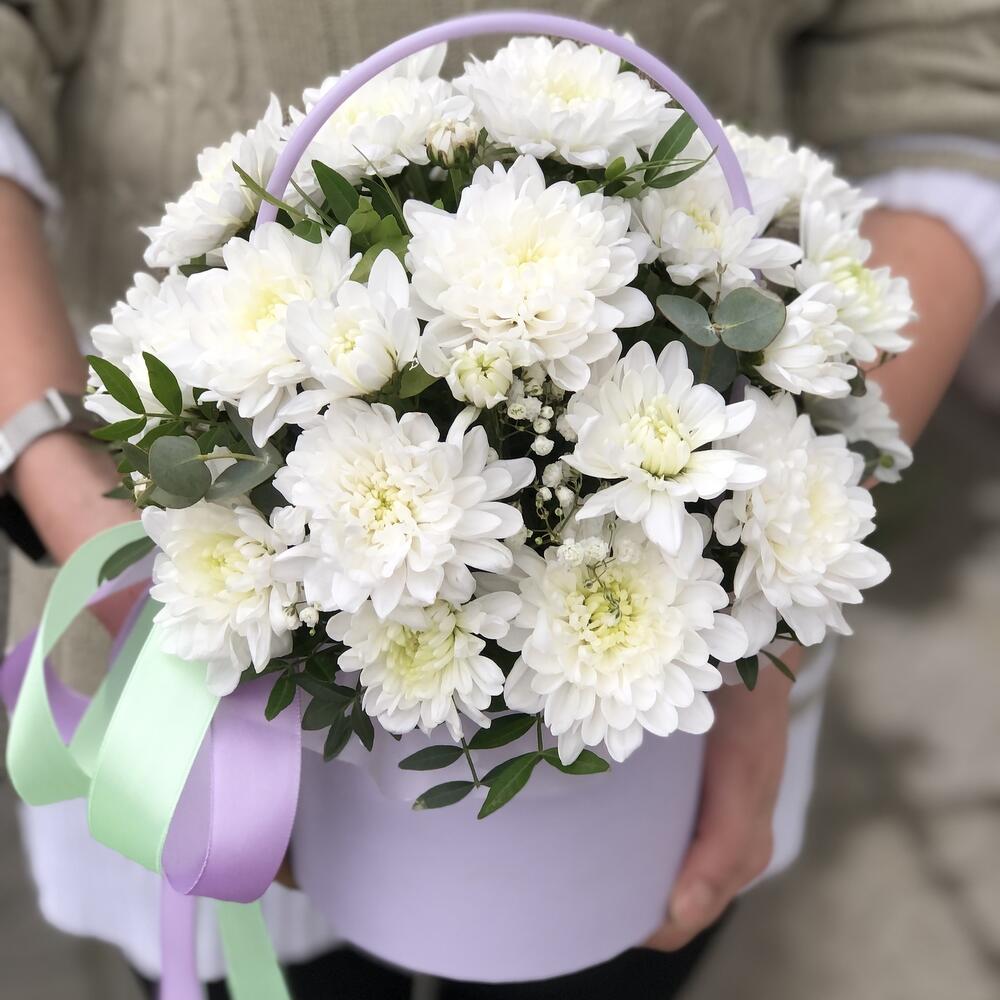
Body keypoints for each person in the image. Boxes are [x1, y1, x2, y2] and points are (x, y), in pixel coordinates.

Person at [1, 1, 998, 997]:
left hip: (656, 745)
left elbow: (951, 75)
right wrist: (65, 485)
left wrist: (768, 629)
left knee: (607, 962)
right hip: (181, 641)